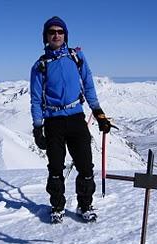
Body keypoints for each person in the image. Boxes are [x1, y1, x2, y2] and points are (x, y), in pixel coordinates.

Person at [30, 16, 112, 224]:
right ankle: (57, 205)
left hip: (76, 117)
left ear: (65, 35)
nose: (56, 35)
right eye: (52, 32)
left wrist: (99, 113)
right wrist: (38, 128)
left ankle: (85, 205)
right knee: (55, 168)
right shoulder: (40, 66)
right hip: (53, 122)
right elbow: (36, 99)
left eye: (60, 31)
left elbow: (89, 85)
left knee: (86, 166)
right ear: (46, 37)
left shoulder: (76, 58)